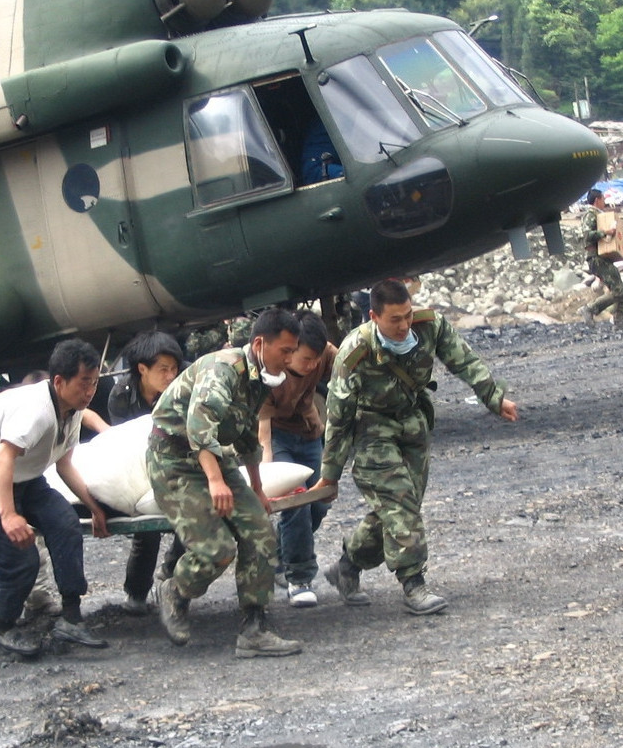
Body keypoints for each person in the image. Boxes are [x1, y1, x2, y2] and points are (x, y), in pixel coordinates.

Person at [316, 279, 518, 615]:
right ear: (373, 316)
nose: (404, 325)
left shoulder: (429, 326)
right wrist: (330, 474)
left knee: (396, 510)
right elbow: (338, 418)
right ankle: (413, 584)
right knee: (401, 507)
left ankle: (348, 566)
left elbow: (464, 361)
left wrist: (494, 398)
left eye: (407, 316)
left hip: (413, 424)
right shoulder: (355, 352)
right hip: (372, 432)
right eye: (394, 320)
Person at [147, 307, 304, 658]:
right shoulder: (224, 369)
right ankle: (175, 590)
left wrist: (257, 489)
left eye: (294, 351)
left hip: (215, 455)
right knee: (217, 550)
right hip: (174, 460)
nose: (290, 359)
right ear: (261, 343)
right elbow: (198, 426)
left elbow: (247, 436)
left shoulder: (260, 377)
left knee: (261, 532)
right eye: (285, 351)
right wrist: (215, 481)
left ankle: (254, 628)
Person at [0, 339, 112, 657]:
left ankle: (71, 617)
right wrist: (9, 515)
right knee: (20, 557)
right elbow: (1, 459)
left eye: (94, 383)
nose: (90, 391)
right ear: (59, 381)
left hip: (27, 481)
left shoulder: (73, 410)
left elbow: (64, 463)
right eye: (84, 383)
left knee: (66, 523)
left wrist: (93, 506)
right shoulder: (37, 409)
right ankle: (2, 624)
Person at [258, 310, 336, 608]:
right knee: (297, 502)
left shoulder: (324, 353)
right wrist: (266, 464)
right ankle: (299, 577)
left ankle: (280, 554)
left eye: (316, 359)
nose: (313, 365)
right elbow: (262, 425)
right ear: (289, 351)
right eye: (305, 359)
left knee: (320, 500)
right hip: (277, 437)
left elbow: (347, 368)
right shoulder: (268, 371)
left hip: (309, 432)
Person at [106, 330, 184, 614]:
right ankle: (136, 593)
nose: (170, 376)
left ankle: (171, 578)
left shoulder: (182, 387)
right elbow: (123, 442)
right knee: (146, 530)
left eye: (174, 368)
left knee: (190, 522)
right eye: (163, 369)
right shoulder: (122, 396)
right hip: (139, 466)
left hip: (178, 462)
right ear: (142, 369)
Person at [578, 189, 623, 326]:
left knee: (622, 290)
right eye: (603, 199)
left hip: (603, 257)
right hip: (596, 258)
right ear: (597, 200)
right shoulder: (590, 215)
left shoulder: (600, 215)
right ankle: (590, 309)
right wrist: (605, 232)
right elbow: (586, 235)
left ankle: (618, 319)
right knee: (619, 290)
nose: (604, 202)